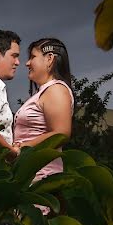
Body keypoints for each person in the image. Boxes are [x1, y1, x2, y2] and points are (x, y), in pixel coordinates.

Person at [13, 37, 74, 183]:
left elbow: (61, 133)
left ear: (49, 59)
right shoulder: (45, 92)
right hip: (29, 175)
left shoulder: (56, 90)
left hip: (41, 178)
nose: (27, 63)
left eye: (33, 57)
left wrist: (22, 148)